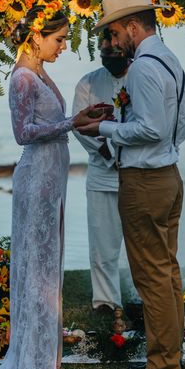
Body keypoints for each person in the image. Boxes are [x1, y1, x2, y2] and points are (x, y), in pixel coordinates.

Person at [0, 7, 107, 369]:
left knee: (49, 266)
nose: (65, 46)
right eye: (60, 39)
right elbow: (23, 133)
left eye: (65, 39)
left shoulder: (41, 72)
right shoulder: (22, 78)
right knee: (37, 267)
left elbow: (51, 122)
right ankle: (34, 362)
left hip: (53, 178)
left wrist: (85, 117)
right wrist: (73, 122)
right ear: (36, 36)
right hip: (36, 178)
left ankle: (47, 357)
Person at [78, 0, 185, 369]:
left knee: (151, 277)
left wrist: (103, 127)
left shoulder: (143, 66)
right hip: (169, 175)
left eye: (113, 31)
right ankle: (172, 357)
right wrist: (165, 151)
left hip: (144, 181)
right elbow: (179, 127)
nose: (113, 41)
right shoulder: (171, 60)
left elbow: (151, 128)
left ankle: (163, 365)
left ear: (131, 26)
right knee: (168, 272)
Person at [72, 30, 130, 315]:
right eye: (102, 44)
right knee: (102, 248)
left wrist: (126, 156)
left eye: (112, 42)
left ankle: (144, 300)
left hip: (137, 174)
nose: (107, 48)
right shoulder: (88, 83)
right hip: (101, 176)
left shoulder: (142, 78)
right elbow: (80, 128)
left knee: (141, 248)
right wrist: (108, 154)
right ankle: (106, 303)